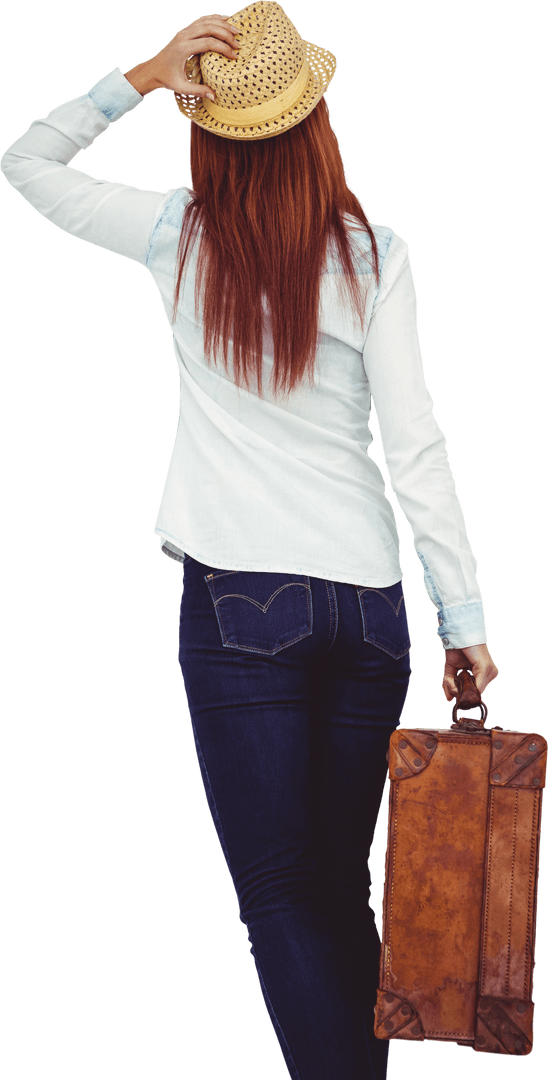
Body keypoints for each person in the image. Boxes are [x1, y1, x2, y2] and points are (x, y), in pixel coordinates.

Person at [0, 4, 499, 1078]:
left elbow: (25, 162)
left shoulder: (178, 233)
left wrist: (137, 76)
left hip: (242, 608)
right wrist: (462, 617)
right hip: (369, 608)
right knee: (335, 890)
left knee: (282, 898)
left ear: (208, 130)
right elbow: (416, 450)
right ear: (316, 119)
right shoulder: (377, 254)